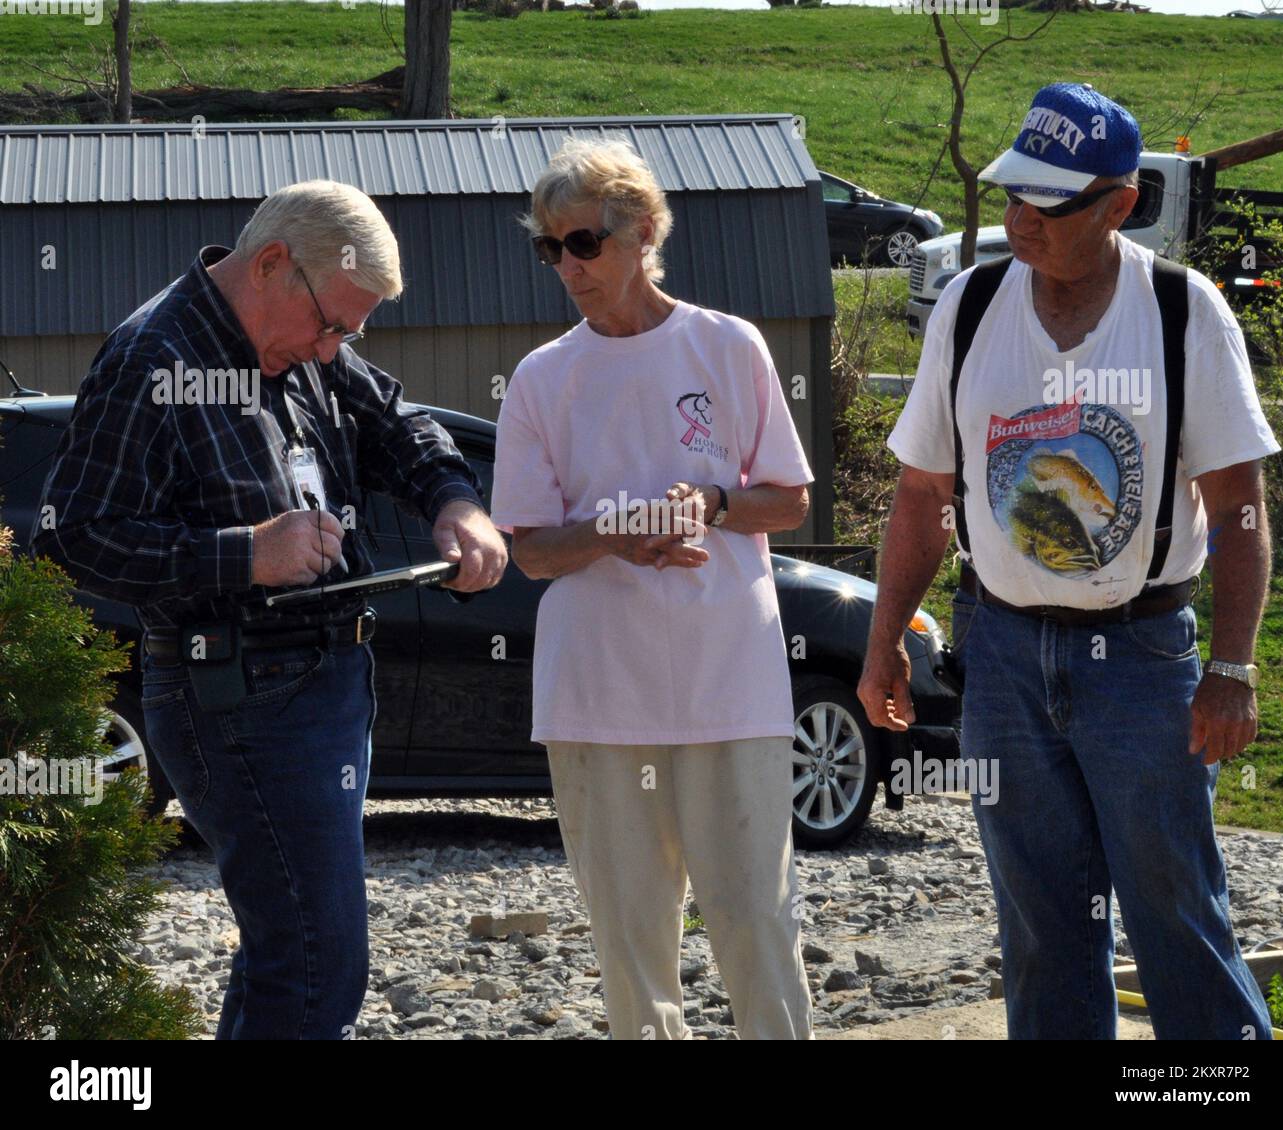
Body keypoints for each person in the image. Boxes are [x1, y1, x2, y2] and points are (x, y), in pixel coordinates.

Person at [33, 180, 508, 1040]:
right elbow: (75, 535)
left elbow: (398, 421)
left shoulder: (307, 342)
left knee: (286, 951)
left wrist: (453, 502)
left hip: (329, 681)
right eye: (333, 326)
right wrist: (247, 552)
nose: (336, 352)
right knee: (321, 964)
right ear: (272, 265)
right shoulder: (152, 358)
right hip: (241, 696)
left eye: (352, 335)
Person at [858, 83, 1279, 1040]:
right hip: (1000, 655)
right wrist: (884, 642)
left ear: (1120, 203)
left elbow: (1241, 507)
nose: (1019, 222)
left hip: (1144, 661)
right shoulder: (968, 307)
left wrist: (1233, 669)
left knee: (1176, 914)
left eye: (1047, 207)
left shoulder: (1183, 313)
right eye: (1011, 197)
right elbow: (922, 496)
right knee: (1042, 925)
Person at [490, 137, 815, 1040]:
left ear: (642, 232)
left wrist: (710, 502)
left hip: (731, 686)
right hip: (598, 698)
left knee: (757, 922)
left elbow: (787, 501)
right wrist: (615, 535)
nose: (566, 266)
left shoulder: (728, 344)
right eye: (549, 248)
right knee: (632, 949)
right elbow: (528, 550)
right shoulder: (541, 378)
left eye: (582, 242)